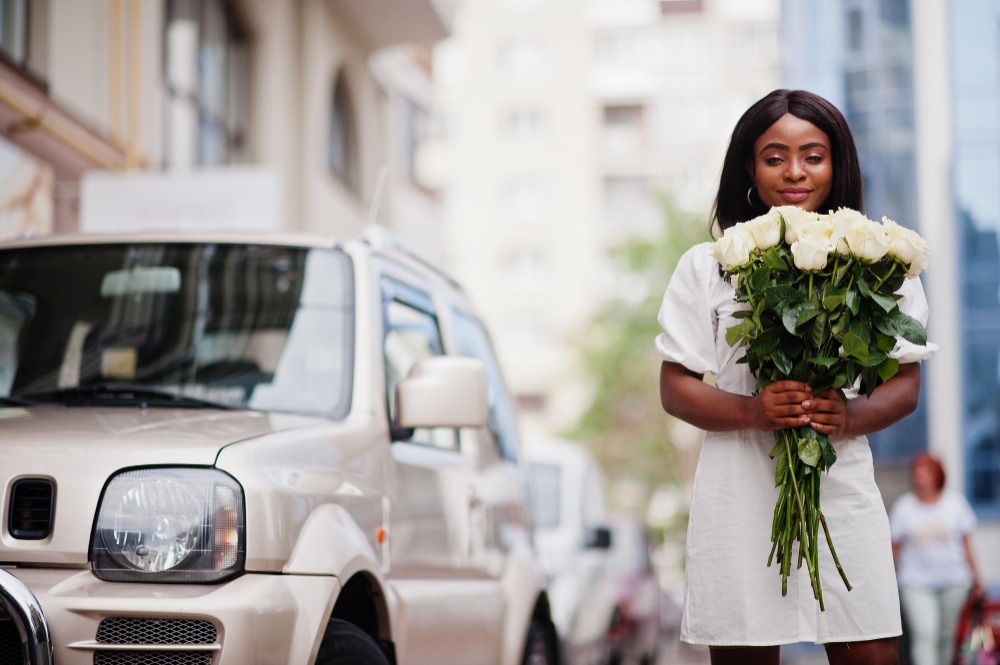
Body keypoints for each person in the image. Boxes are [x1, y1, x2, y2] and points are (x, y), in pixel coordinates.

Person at [656, 89, 938, 665]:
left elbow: (906, 383)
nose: (794, 172)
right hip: (738, 490)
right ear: (749, 168)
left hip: (842, 484)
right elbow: (674, 385)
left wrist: (850, 416)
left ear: (838, 166)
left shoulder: (880, 265)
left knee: (872, 648)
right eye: (774, 157)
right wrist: (751, 411)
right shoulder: (709, 265)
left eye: (813, 156)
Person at [890, 453, 981, 665]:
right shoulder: (904, 507)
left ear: (938, 476)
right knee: (925, 634)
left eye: (926, 474)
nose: (921, 479)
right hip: (915, 583)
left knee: (947, 637)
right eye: (917, 474)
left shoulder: (955, 503)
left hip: (953, 582)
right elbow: (894, 548)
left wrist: (977, 579)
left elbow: (966, 546)